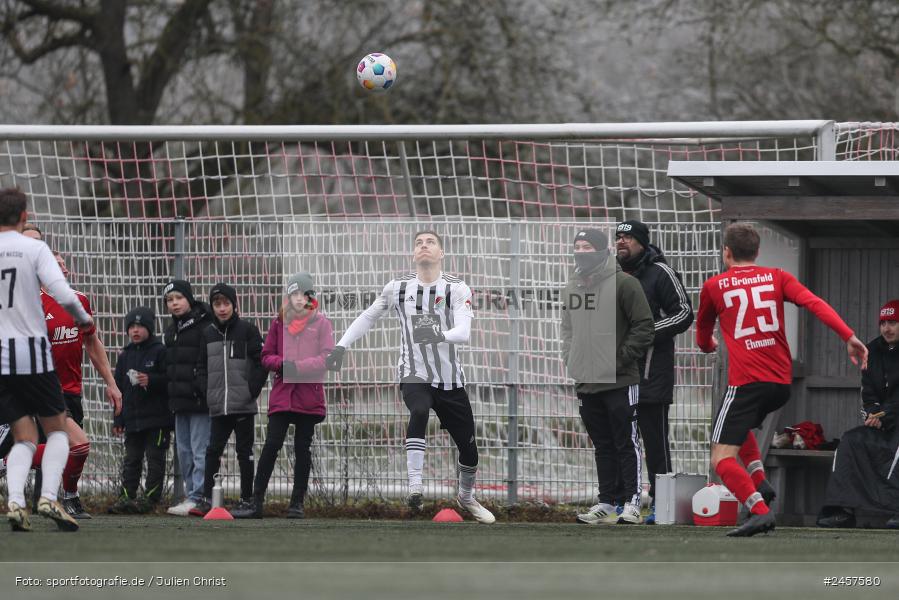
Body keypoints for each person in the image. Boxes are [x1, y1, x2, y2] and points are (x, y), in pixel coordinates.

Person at [696, 222, 868, 537]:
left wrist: (710, 345)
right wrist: (849, 336)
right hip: (780, 385)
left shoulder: (714, 286)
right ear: (757, 252)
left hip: (746, 382)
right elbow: (815, 303)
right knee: (739, 425)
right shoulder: (777, 276)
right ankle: (759, 478)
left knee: (720, 457)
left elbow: (702, 337)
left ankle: (759, 509)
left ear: (727, 253)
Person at [324, 231, 495, 524]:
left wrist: (438, 334)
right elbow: (368, 316)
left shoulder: (456, 288)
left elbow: (464, 332)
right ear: (413, 254)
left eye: (430, 242)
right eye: (418, 243)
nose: (423, 246)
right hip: (413, 371)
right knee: (418, 410)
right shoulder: (398, 287)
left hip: (450, 379)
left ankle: (466, 497)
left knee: (468, 446)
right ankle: (415, 486)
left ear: (441, 253)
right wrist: (341, 345)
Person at [0, 188, 94, 532]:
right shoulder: (35, 248)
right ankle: (49, 497)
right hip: (33, 354)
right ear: (23, 216)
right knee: (57, 432)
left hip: (2, 359)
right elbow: (63, 293)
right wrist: (83, 318)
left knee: (23, 435)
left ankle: (15, 502)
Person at [23, 242, 123, 519]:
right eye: (57, 263)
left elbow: (92, 341)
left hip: (71, 392)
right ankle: (69, 498)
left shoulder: (78, 300)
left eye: (64, 262)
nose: (64, 267)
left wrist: (111, 384)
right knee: (77, 445)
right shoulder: (30, 303)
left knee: (62, 451)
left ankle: (60, 496)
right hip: (42, 391)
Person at [564, 228, 655, 526]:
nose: (581, 251)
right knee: (601, 443)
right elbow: (568, 329)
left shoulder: (625, 284)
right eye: (577, 246)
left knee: (625, 441)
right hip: (587, 382)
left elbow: (644, 326)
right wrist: (571, 359)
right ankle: (607, 502)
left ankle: (631, 501)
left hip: (620, 380)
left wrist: (618, 360)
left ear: (603, 250)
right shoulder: (573, 286)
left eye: (587, 245)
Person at [231, 273, 333, 519]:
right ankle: (256, 502)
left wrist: (299, 367)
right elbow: (266, 356)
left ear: (311, 297)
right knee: (271, 445)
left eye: (304, 294)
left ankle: (297, 503)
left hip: (308, 396)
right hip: (283, 395)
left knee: (302, 448)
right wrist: (283, 365)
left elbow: (327, 358)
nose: (299, 299)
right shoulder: (278, 323)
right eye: (294, 294)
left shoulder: (322, 323)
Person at [615, 220, 694, 523]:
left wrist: (644, 334)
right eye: (618, 237)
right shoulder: (611, 274)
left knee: (654, 440)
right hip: (617, 374)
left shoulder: (661, 273)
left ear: (643, 242)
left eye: (628, 237)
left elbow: (684, 313)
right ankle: (621, 501)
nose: (622, 242)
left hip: (651, 375)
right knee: (620, 438)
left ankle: (661, 505)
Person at [817, 300, 899, 529]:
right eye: (883, 323)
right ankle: (841, 510)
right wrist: (873, 413)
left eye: (893, 322)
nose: (887, 328)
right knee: (850, 441)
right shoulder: (871, 351)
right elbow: (869, 392)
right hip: (882, 424)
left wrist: (885, 414)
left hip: (894, 422)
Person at [192, 283, 266, 516]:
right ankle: (206, 498)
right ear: (212, 307)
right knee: (212, 451)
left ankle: (247, 500)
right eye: (217, 304)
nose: (222, 308)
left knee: (245, 453)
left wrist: (251, 390)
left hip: (243, 404)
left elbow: (261, 362)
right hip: (218, 406)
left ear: (234, 305)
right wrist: (206, 391)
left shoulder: (248, 331)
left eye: (226, 303)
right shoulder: (207, 333)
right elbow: (201, 366)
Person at [109, 306, 172, 514]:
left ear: (150, 329)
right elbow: (117, 389)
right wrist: (118, 419)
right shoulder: (125, 355)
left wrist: (151, 380)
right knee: (132, 460)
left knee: (155, 460)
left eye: (140, 326)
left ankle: (150, 499)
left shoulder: (160, 351)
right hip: (133, 420)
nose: (135, 331)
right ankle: (126, 497)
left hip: (157, 420)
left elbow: (171, 381)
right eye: (132, 327)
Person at [162, 280, 213, 516]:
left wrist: (201, 388)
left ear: (189, 299)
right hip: (179, 402)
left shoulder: (206, 324)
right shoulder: (171, 330)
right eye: (170, 300)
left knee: (199, 449)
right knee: (184, 451)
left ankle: (200, 497)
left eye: (178, 298)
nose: (174, 303)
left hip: (200, 402)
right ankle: (192, 495)